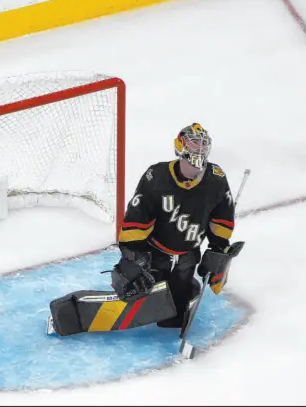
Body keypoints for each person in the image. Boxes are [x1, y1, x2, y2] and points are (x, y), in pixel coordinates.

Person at [47, 123, 243, 336]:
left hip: (188, 255)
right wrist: (134, 258)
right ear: (181, 146)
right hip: (155, 253)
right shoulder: (157, 177)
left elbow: (221, 218)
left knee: (174, 315)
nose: (200, 148)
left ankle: (177, 298)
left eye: (204, 143)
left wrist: (218, 249)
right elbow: (136, 220)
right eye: (195, 142)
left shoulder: (216, 179)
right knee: (136, 287)